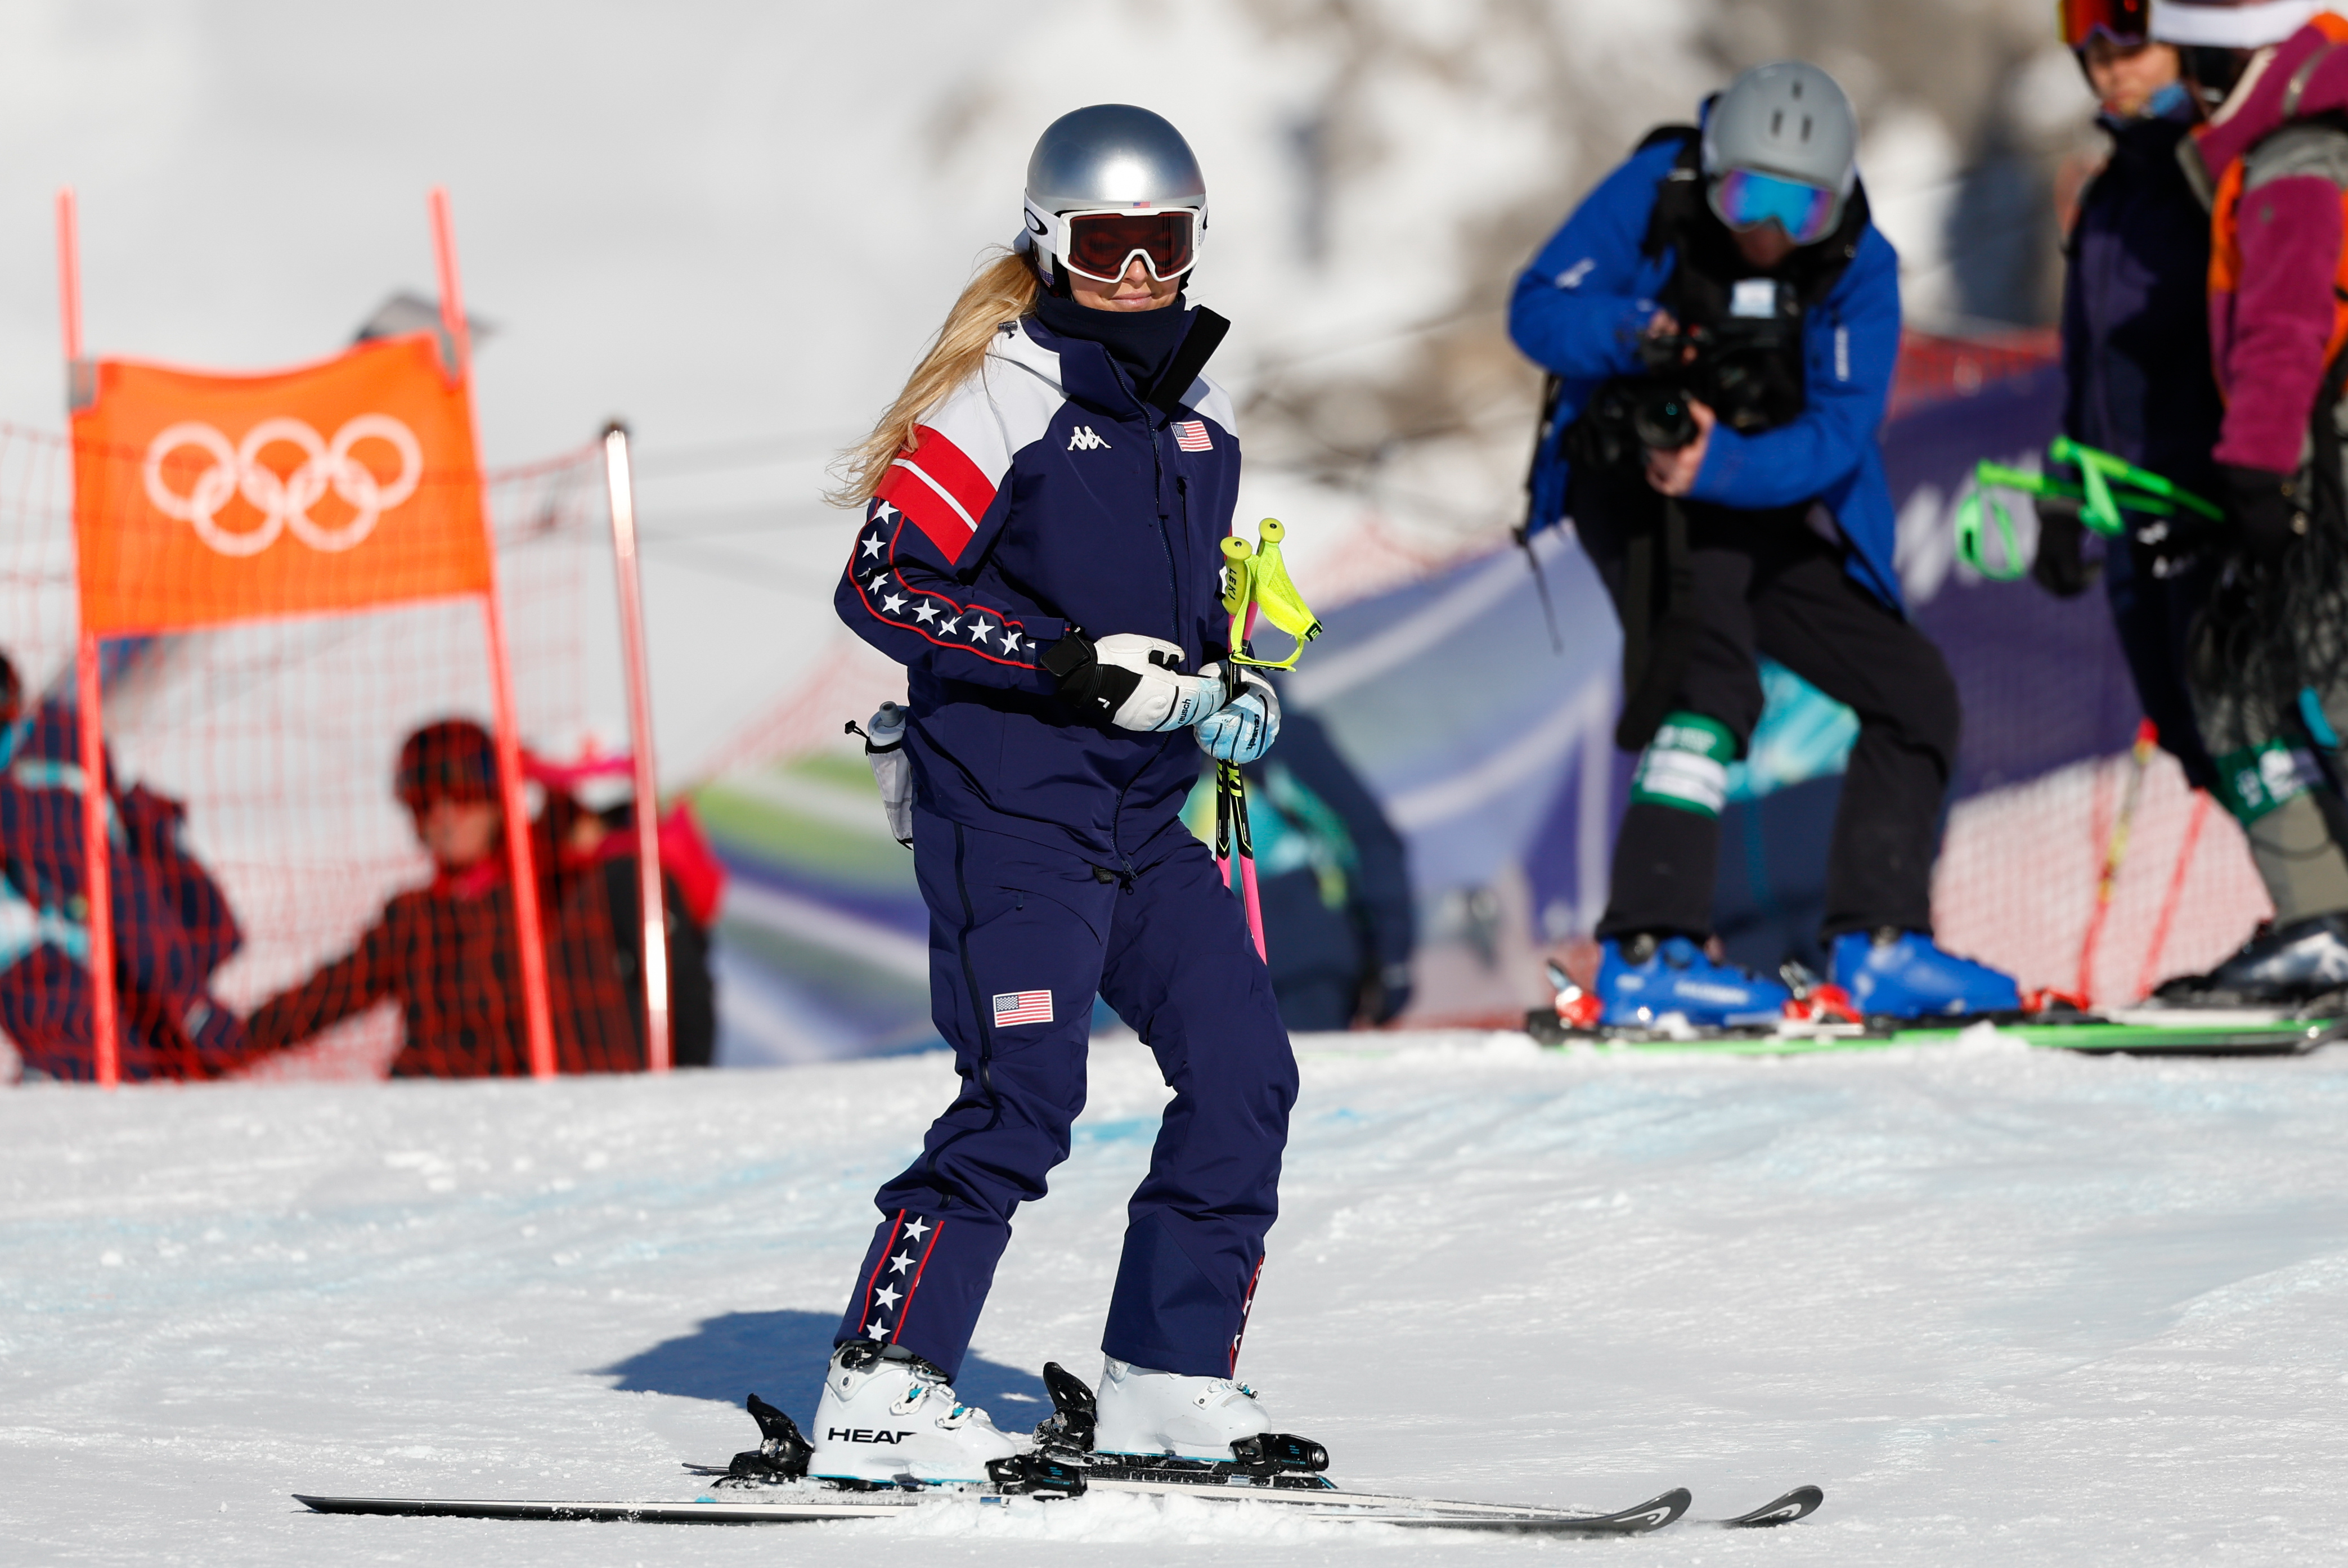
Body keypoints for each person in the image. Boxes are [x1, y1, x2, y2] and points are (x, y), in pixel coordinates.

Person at [816, 103, 1296, 1484]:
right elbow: (881, 585)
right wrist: (1062, 665)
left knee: (1245, 1070)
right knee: (1023, 1091)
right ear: (1050, 242)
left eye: (1164, 247)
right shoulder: (1003, 399)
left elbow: (1190, 624)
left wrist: (1233, 688)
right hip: (1010, 811)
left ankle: (1164, 1375)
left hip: (1146, 817)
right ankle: (880, 1386)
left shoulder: (1200, 427)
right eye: (1107, 247)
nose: (1138, 279)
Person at [1509, 61, 2021, 1025]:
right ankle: (1646, 949)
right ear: (1709, 172)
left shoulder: (1859, 267)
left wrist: (1721, 467)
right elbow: (1537, 305)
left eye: (1804, 206)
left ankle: (1879, 944)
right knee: (1709, 683)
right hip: (1633, 486)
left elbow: (1838, 432)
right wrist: (1636, 332)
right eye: (1749, 194)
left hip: (1760, 493)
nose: (1771, 229)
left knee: (1911, 690)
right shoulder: (1654, 188)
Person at [2146, 0, 2348, 1001]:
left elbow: (2282, 329)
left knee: (2237, 676)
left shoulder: (2293, 162)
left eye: (2198, 61)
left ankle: (2321, 919)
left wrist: (2257, 474)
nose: (2188, 86)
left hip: (2316, 465)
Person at [2043, 1, 2229, 812]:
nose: (2110, 67)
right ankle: (2307, 916)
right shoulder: (2109, 196)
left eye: (2131, 45)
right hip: (2126, 508)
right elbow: (2084, 366)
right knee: (2183, 728)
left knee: (2244, 720)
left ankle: (2321, 907)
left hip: (2210, 499)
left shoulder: (2214, 166)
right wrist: (2062, 494)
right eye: (2091, 50)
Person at [245, 718, 645, 1075]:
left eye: (461, 793)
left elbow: (610, 823)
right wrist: (227, 1044)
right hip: (435, 1115)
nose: (444, 814)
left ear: (496, 799)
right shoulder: (412, 915)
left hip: (544, 1107)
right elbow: (328, 993)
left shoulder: (554, 882)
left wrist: (549, 776)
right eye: (425, 801)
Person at [0, 650, 255, 1081]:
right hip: (84, 976)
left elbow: (122, 892)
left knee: (141, 1090)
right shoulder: (52, 758)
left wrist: (190, 1002)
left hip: (78, 977)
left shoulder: (36, 792)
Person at [1184, 698, 1413, 1030]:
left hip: (1294, 961)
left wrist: (1391, 955)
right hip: (1214, 967)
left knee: (1295, 1074)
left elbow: (1370, 839)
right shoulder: (1143, 739)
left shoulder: (1281, 731)